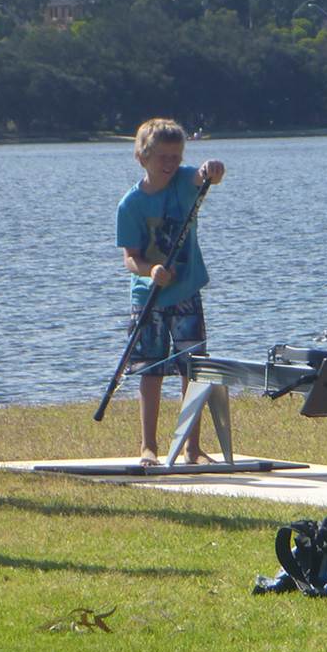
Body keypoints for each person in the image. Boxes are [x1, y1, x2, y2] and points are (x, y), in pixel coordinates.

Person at [115, 118, 226, 467]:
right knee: (150, 371)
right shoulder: (130, 204)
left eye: (176, 156)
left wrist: (212, 170)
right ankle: (148, 446)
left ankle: (192, 446)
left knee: (192, 370)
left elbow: (205, 176)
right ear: (142, 157)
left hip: (186, 293)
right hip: (148, 298)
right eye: (162, 157)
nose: (170, 164)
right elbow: (130, 258)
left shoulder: (183, 182)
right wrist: (151, 270)